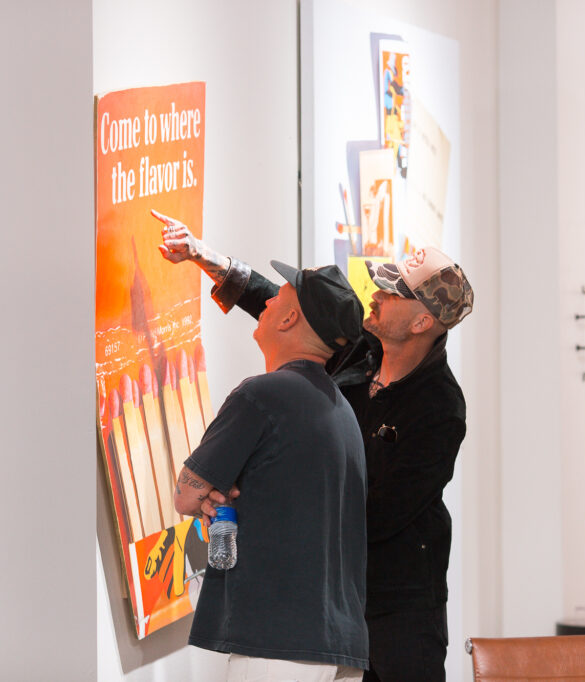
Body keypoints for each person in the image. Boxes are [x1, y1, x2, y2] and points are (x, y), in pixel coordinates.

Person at [155, 209, 473, 682]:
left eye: (392, 292)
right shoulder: (364, 350)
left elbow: (380, 513)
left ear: (423, 321)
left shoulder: (440, 408)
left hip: (397, 604)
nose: (377, 295)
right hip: (331, 594)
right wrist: (207, 257)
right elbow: (287, 308)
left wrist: (270, 501)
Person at [170, 251, 369, 682]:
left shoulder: (261, 396)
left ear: (288, 320)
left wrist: (211, 494)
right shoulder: (342, 412)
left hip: (276, 641)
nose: (266, 304)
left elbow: (186, 495)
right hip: (338, 642)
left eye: (277, 297)